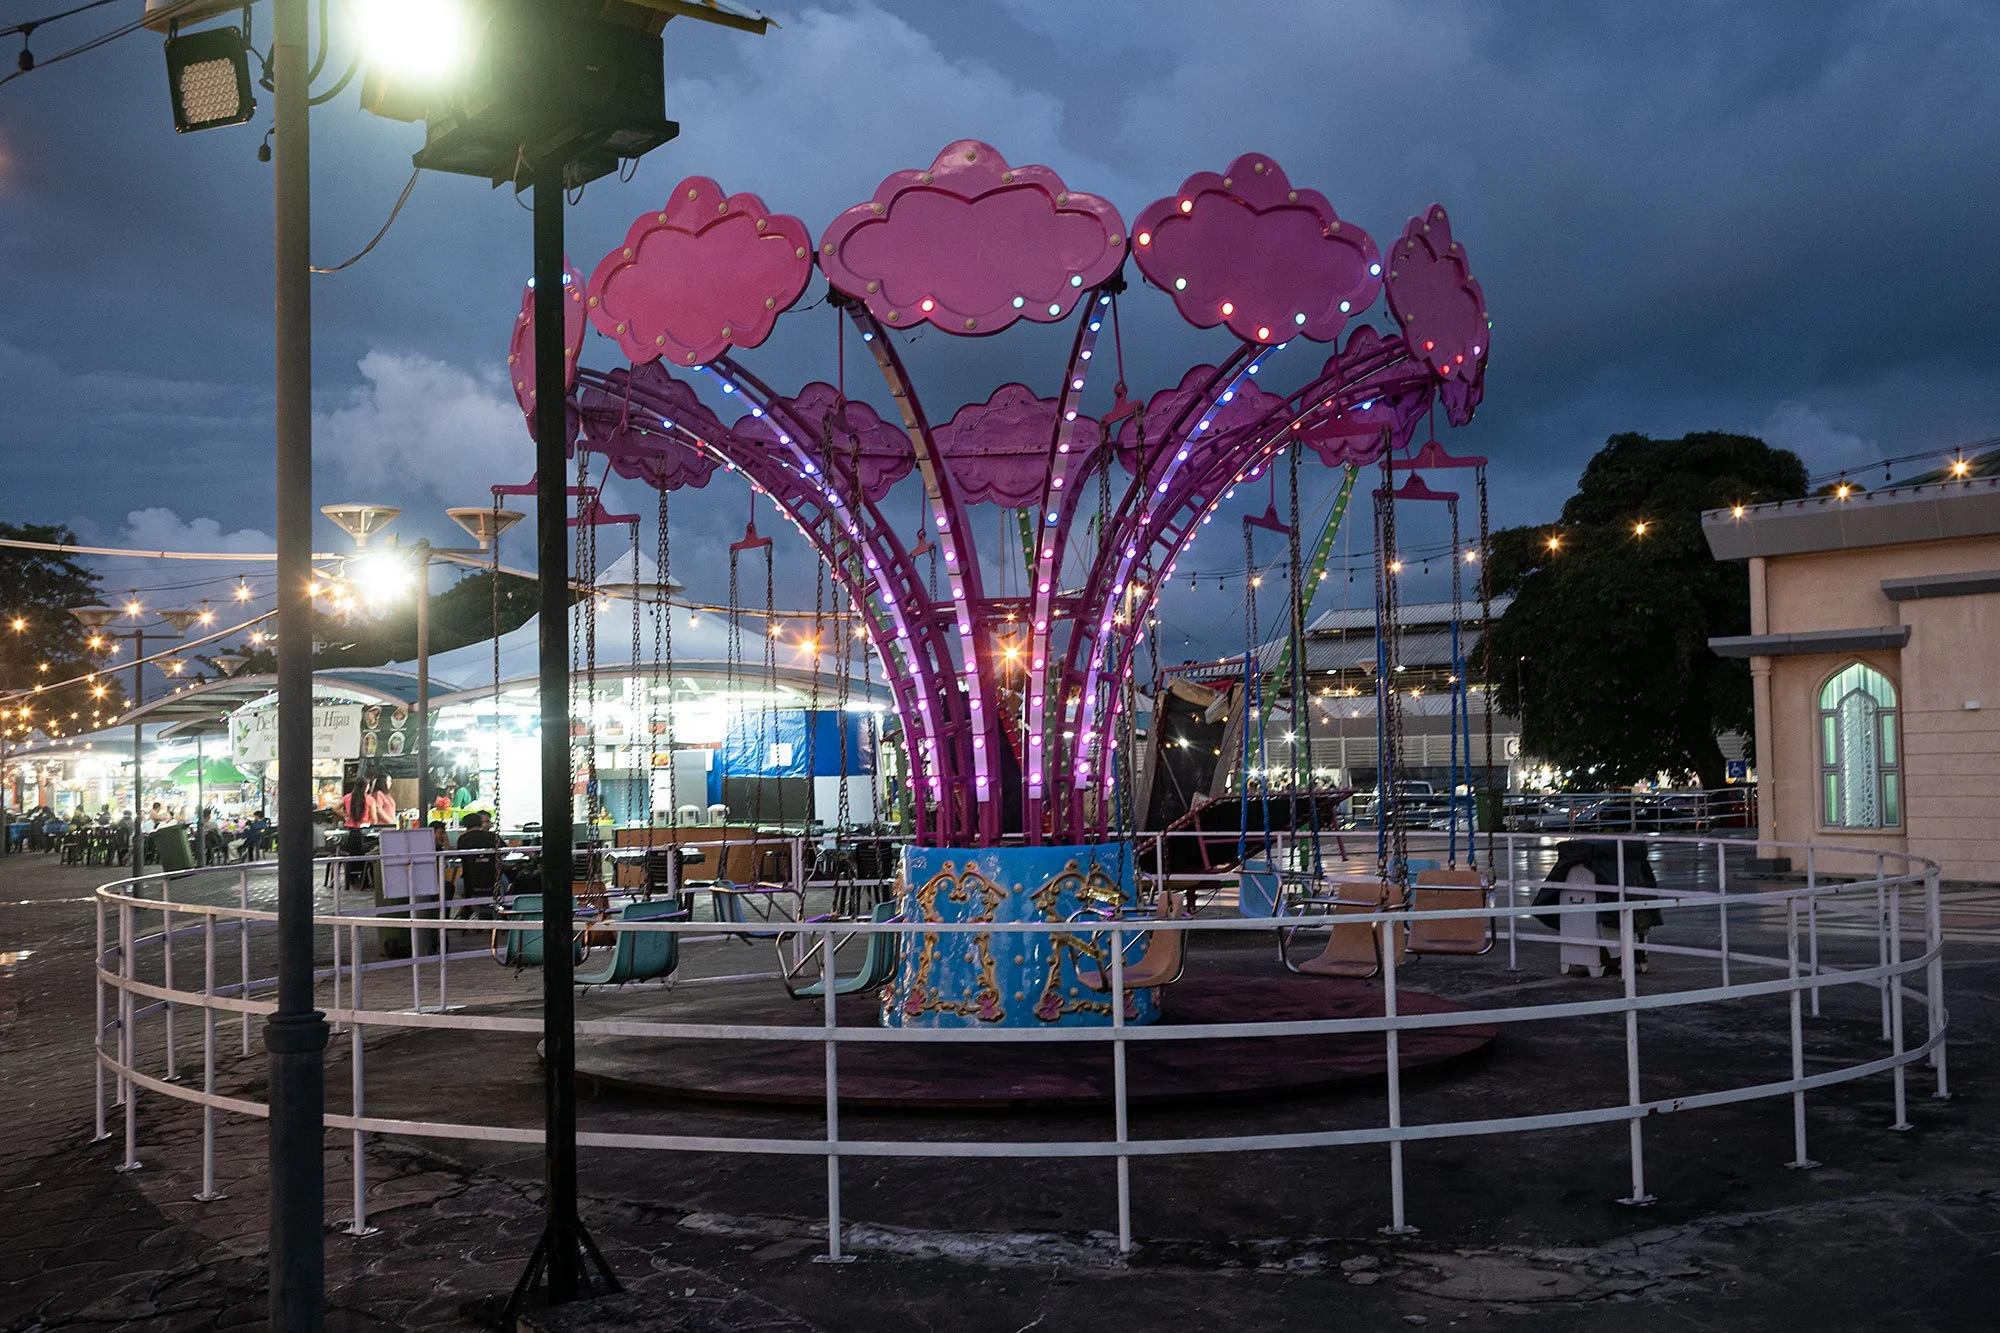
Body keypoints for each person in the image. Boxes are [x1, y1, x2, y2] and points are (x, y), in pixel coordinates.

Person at [454, 811, 502, 917]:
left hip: (469, 884)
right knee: (507, 883)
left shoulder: (462, 840)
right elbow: (505, 851)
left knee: (460, 885)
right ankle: (501, 912)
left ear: (466, 826)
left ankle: (469, 909)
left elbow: (459, 857)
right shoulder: (492, 836)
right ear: (480, 824)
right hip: (495, 883)